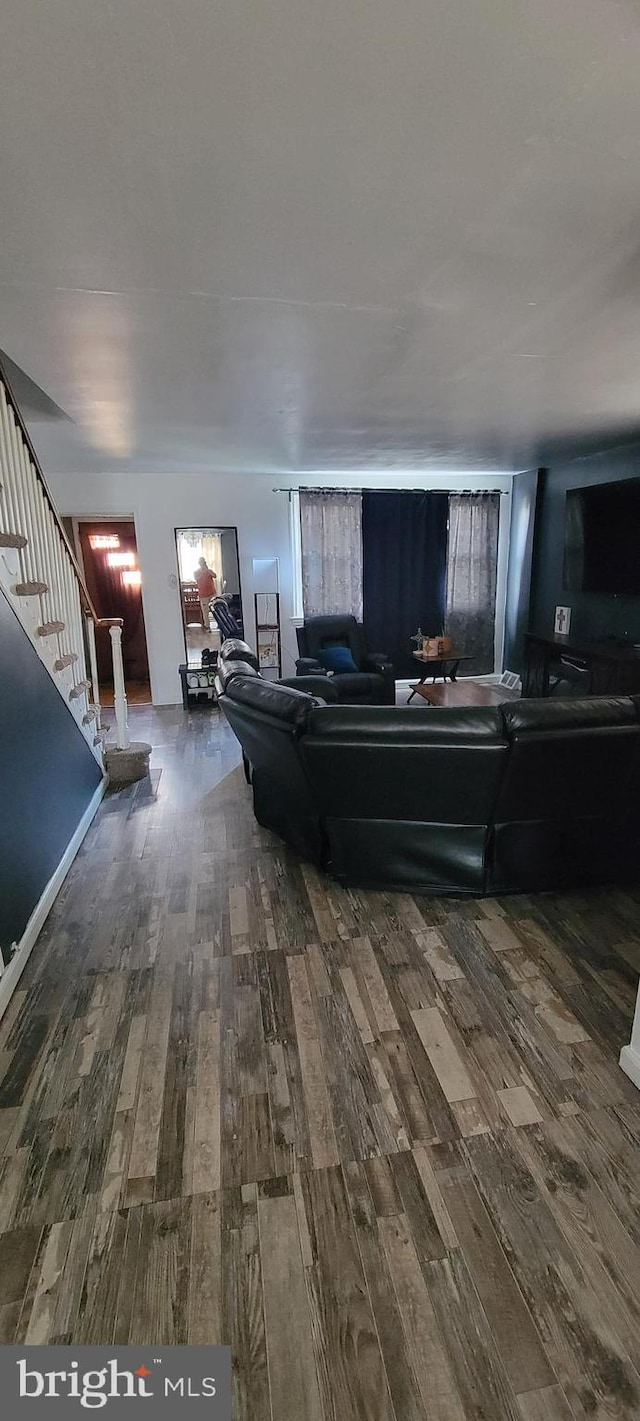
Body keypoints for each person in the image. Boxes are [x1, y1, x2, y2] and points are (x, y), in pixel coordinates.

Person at [194, 556, 217, 628]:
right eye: (200, 562)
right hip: (203, 595)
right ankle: (207, 625)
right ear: (199, 563)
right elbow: (197, 578)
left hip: (212, 593)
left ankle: (219, 624)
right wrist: (202, 572)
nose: (202, 564)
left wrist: (208, 571)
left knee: (215, 609)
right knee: (205, 611)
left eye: (203, 562)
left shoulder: (209, 570)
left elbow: (215, 575)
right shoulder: (196, 572)